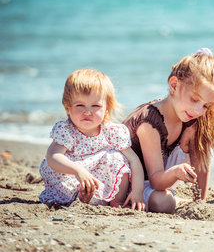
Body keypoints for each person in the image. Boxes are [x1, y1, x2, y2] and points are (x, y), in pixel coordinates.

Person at [123, 48, 214, 214]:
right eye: (194, 99)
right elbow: (156, 182)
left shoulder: (190, 116)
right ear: (174, 85)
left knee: (202, 129)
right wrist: (175, 172)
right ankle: (178, 199)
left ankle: (199, 201)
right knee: (163, 203)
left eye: (205, 105)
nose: (198, 110)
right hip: (132, 183)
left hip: (155, 180)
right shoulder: (150, 122)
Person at [39, 69, 145, 211]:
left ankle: (116, 201)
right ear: (67, 107)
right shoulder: (66, 130)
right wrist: (77, 171)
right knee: (60, 169)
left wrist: (137, 191)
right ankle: (82, 196)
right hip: (72, 175)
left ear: (107, 108)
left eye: (95, 106)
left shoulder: (112, 132)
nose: (87, 112)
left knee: (117, 158)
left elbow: (134, 160)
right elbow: (53, 156)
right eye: (80, 105)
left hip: (99, 179)